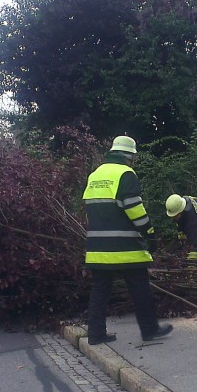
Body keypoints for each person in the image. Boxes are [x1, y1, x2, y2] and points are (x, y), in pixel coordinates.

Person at [82, 135, 173, 345]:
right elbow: (133, 207)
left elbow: (89, 209)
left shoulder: (95, 175)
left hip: (97, 247)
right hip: (125, 247)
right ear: (129, 155)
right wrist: (149, 232)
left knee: (99, 291)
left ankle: (95, 334)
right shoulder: (125, 173)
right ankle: (149, 329)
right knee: (140, 288)